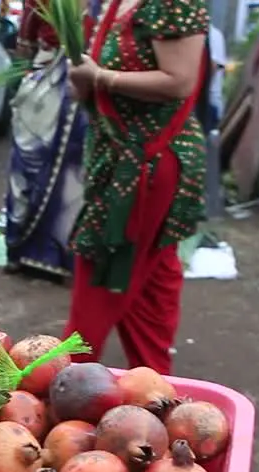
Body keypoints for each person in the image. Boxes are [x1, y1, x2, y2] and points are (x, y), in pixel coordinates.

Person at [62, 0, 208, 375]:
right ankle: (156, 387)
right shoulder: (114, 3)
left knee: (101, 278)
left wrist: (99, 78)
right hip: (119, 161)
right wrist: (83, 79)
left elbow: (180, 80)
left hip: (148, 166)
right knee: (150, 290)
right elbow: (89, 80)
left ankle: (62, 386)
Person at [2, 0, 94, 280]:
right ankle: (58, 255)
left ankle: (19, 249)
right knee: (71, 170)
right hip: (84, 77)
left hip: (57, 80)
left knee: (29, 163)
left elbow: (25, 44)